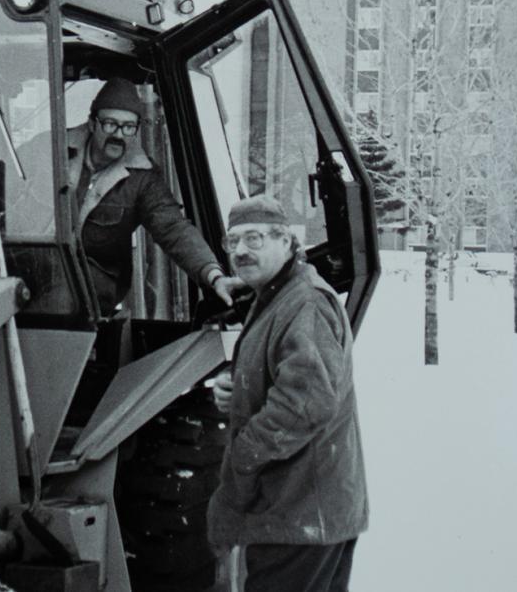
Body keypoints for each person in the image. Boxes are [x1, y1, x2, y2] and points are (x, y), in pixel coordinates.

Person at [207, 195, 367, 592]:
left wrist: (243, 455)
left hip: (299, 514)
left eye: (255, 238)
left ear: (286, 242)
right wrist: (237, 387)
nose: (241, 251)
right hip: (302, 512)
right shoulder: (277, 295)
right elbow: (287, 372)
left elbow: (305, 404)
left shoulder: (305, 303)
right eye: (234, 241)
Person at [68, 78, 241, 314]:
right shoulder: (49, 150)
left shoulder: (143, 177)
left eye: (129, 127)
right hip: (40, 268)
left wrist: (213, 275)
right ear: (91, 123)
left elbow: (172, 228)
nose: (119, 135)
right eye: (110, 124)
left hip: (96, 283)